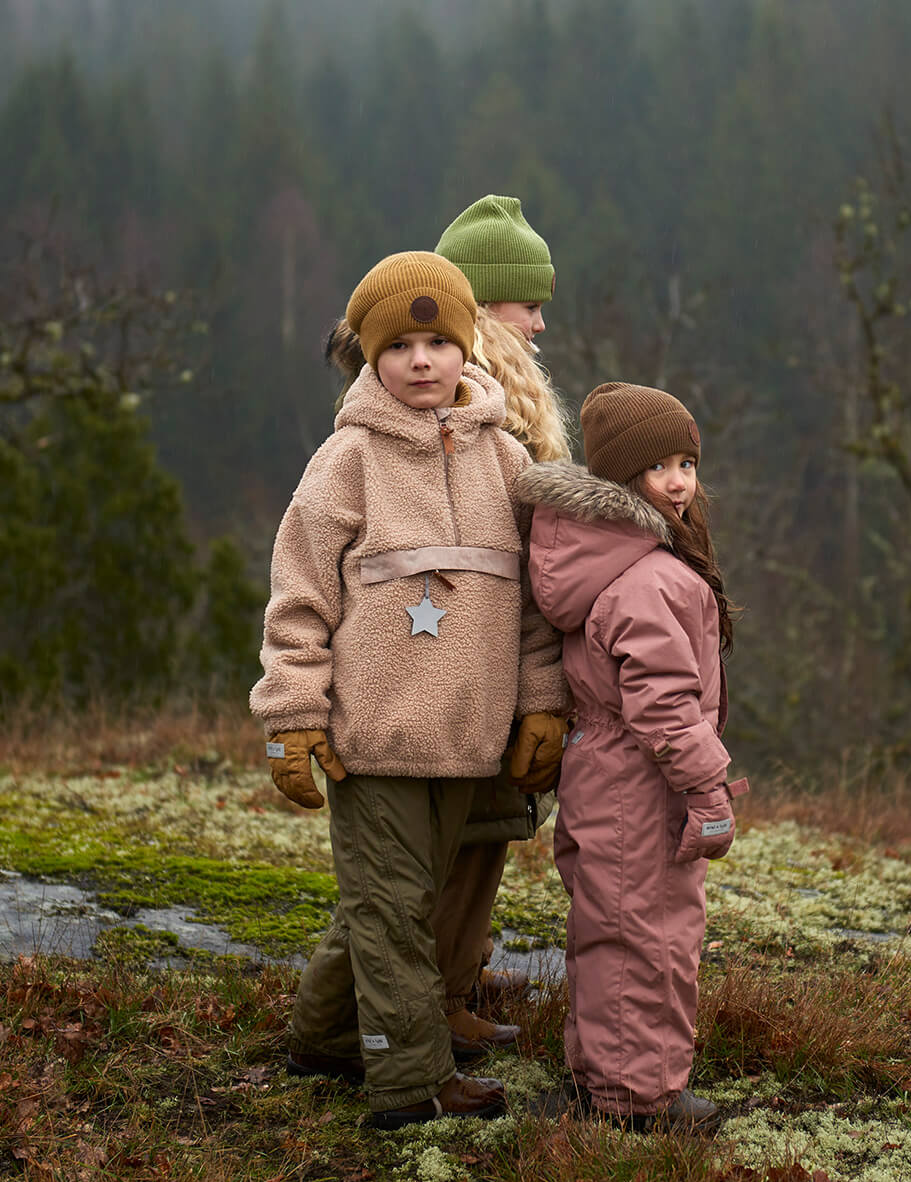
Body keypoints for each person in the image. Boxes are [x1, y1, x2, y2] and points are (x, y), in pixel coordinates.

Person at [250, 250, 570, 1128]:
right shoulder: (344, 462)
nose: (421, 360)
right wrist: (291, 718)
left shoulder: (506, 460)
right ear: (371, 357)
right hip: (375, 740)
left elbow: (539, 608)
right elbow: (299, 602)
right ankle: (408, 1082)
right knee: (391, 914)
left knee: (390, 907)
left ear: (468, 347)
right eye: (400, 346)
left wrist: (542, 701)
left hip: (470, 741)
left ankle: (323, 1039)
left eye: (438, 341)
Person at [320, 196, 570, 1063]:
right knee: (434, 861)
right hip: (428, 680)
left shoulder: (496, 412)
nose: (539, 320)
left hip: (486, 667)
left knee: (453, 849)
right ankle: (425, 1007)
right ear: (484, 299)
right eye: (525, 301)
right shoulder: (457, 411)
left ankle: (390, 1007)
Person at [518, 382, 748, 1134]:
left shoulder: (623, 564)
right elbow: (665, 706)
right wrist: (709, 791)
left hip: (607, 773)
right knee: (644, 937)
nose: (679, 480)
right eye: (659, 467)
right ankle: (634, 1103)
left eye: (687, 461)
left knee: (613, 927)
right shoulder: (647, 578)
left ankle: (605, 1085)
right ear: (622, 480)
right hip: (638, 784)